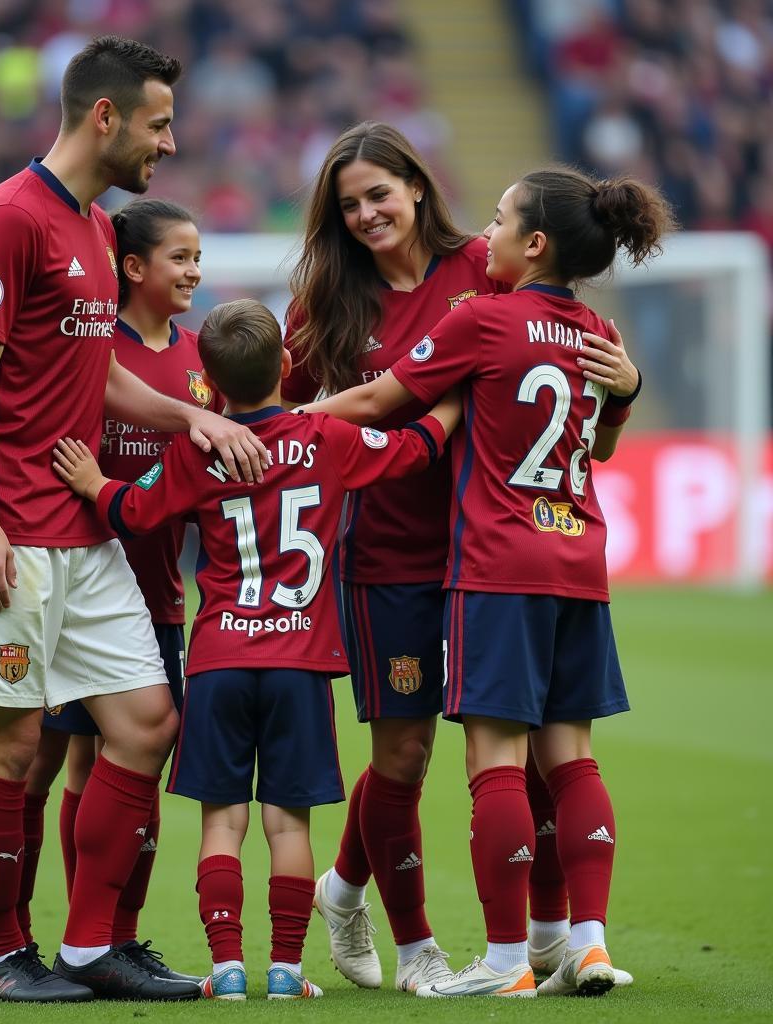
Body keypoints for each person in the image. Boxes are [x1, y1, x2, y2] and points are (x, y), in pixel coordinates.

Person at [0, 36, 269, 1004]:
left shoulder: (89, 228)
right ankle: (1, 956)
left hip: (81, 533)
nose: (168, 143)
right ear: (105, 117)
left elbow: (99, 374)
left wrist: (195, 412)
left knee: (147, 720)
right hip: (2, 527)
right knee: (14, 746)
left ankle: (87, 948)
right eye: (158, 124)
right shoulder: (8, 219)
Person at [296, 168, 670, 997]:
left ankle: (509, 960)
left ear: (532, 243)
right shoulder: (594, 328)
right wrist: (625, 395)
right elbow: (600, 446)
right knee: (563, 760)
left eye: (499, 221)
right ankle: (586, 941)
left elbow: (377, 399)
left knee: (497, 762)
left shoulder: (483, 312)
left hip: (494, 564)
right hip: (572, 560)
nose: (484, 235)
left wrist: (279, 428)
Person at [51, 298, 460, 1000]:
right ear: (288, 365)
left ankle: (227, 968)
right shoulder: (325, 437)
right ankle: (288, 970)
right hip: (302, 664)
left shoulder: (198, 447)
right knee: (285, 820)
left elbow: (132, 510)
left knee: (223, 819)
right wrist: (454, 398)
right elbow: (415, 449)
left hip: (218, 661)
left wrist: (92, 481)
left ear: (206, 387)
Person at [283, 120, 507, 993]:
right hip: (385, 557)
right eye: (350, 205)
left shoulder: (482, 268)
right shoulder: (328, 303)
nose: (368, 214)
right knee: (403, 757)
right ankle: (416, 945)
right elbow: (280, 408)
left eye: (379, 194)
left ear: (417, 186)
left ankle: (341, 887)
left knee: (495, 754)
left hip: (490, 552)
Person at [16, 198, 215, 986]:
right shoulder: (93, 353)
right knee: (52, 768)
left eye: (198, 256)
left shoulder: (202, 360)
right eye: (180, 257)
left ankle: (114, 939)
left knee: (133, 762)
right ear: (132, 268)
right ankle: (41, 938)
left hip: (161, 599)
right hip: (78, 592)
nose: (194, 270)